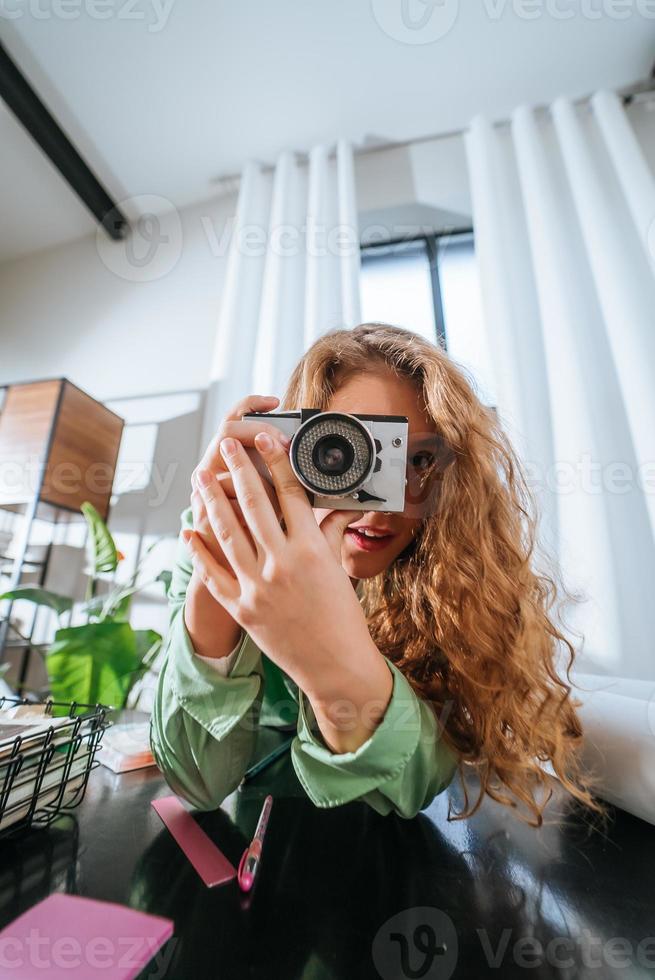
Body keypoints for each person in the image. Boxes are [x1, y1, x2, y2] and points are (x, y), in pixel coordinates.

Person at [150, 322, 608, 827]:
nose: (378, 505)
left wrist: (325, 656)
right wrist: (220, 576)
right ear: (286, 447)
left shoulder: (448, 583)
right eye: (341, 456)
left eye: (417, 461)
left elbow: (418, 784)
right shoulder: (222, 532)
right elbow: (196, 783)